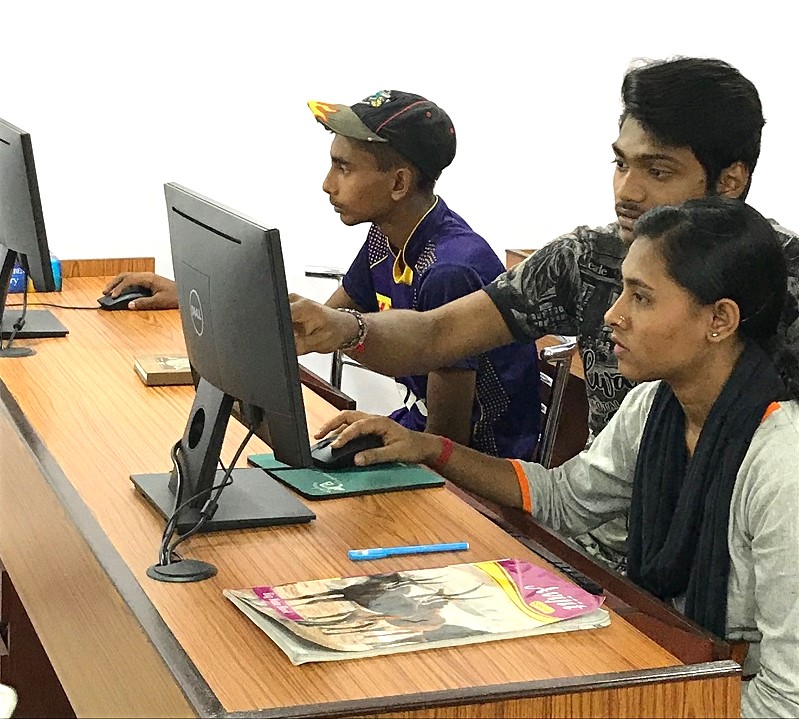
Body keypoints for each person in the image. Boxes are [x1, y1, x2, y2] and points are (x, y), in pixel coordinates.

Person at [288, 57, 799, 572]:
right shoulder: (587, 260)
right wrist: (342, 329)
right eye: (621, 164)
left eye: (657, 171)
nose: (627, 191)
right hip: (594, 553)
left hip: (736, 578)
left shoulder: (788, 286)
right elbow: (439, 331)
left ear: (730, 182)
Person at [312, 198, 799, 718]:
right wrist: (433, 449)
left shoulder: (781, 467)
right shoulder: (653, 407)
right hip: (670, 668)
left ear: (720, 320)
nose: (614, 316)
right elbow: (564, 500)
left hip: (722, 696)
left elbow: (785, 699)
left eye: (641, 298)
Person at [102, 90, 541, 459]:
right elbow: (315, 325)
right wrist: (198, 295)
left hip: (477, 474)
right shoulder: (385, 238)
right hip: (414, 429)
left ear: (399, 184)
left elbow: (447, 443)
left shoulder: (449, 270)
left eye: (344, 167)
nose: (327, 183)